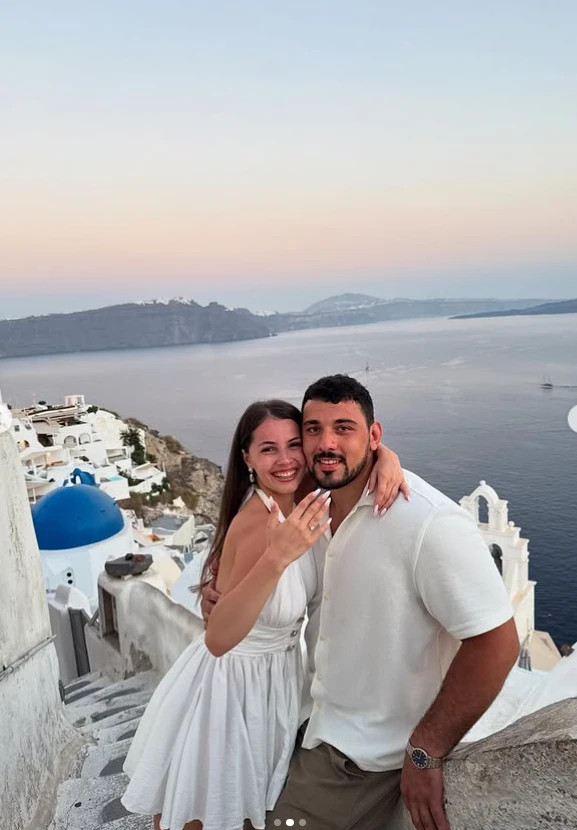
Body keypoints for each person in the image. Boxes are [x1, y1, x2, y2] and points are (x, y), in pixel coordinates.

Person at [121, 398, 407, 830]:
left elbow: (347, 463)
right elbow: (218, 640)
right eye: (268, 449)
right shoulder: (259, 523)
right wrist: (277, 557)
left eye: (294, 444)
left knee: (236, 808)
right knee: (206, 812)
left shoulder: (299, 500)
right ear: (247, 458)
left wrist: (385, 456)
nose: (286, 459)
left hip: (273, 683)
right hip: (235, 689)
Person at [251, 375, 519, 830]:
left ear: (374, 435)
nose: (326, 443)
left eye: (344, 428)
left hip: (359, 761)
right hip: (301, 726)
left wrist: (425, 749)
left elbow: (498, 643)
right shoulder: (312, 505)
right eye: (313, 429)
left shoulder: (426, 522)